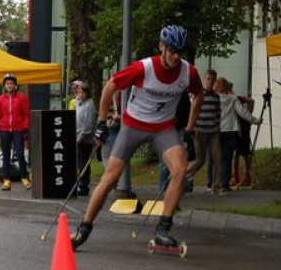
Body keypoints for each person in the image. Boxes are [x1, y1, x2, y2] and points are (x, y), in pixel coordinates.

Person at [71, 25, 203, 250]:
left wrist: (189, 129)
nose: (175, 56)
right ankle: (84, 228)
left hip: (164, 128)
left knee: (180, 170)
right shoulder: (143, 68)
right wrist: (102, 123)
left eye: (180, 51)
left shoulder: (187, 72)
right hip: (133, 126)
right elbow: (109, 88)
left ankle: (163, 228)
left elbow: (198, 94)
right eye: (171, 50)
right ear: (161, 46)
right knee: (111, 179)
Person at [216, 78, 261, 191]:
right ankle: (225, 183)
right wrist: (256, 120)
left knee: (218, 158)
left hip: (217, 130)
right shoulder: (233, 99)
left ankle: (216, 182)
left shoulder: (215, 99)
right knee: (228, 157)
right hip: (230, 130)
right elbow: (242, 112)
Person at [0, 73, 31, 191]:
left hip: (18, 129)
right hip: (4, 130)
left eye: (12, 83)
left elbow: (26, 115)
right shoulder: (0, 99)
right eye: (7, 84)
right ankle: (7, 180)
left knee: (20, 154)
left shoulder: (22, 98)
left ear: (15, 85)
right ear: (4, 85)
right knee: (6, 156)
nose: (9, 86)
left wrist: (25, 127)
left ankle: (24, 177)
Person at [185, 69, 223, 195]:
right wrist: (192, 128)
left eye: (213, 80)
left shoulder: (216, 96)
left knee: (217, 158)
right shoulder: (198, 94)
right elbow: (192, 111)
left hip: (213, 132)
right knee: (200, 160)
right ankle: (181, 176)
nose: (210, 82)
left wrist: (217, 127)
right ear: (204, 79)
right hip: (199, 131)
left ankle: (216, 187)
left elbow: (218, 113)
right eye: (208, 79)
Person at [74, 83, 97, 196]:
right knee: (79, 163)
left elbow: (87, 126)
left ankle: (84, 186)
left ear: (87, 93)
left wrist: (80, 137)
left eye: (82, 92)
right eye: (78, 92)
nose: (80, 94)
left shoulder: (89, 105)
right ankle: (80, 184)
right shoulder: (79, 104)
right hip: (77, 136)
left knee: (83, 163)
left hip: (84, 139)